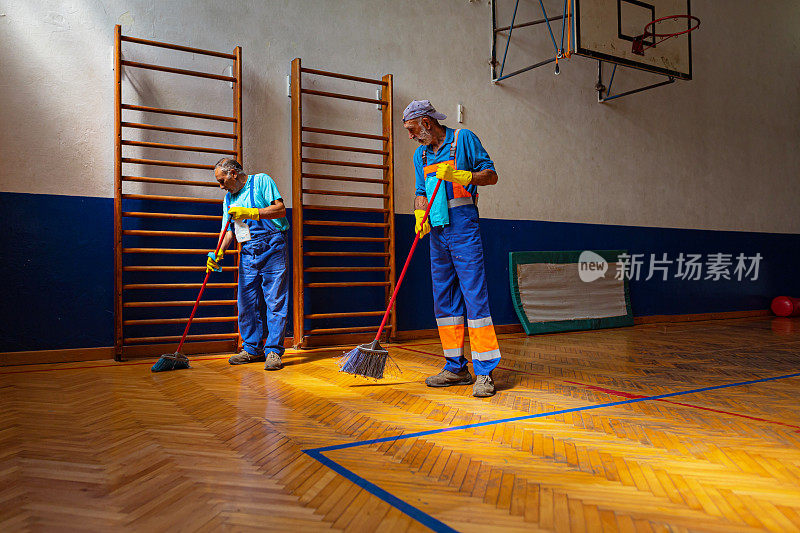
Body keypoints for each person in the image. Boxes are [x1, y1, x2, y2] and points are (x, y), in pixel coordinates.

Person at [402, 100, 501, 397]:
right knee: (444, 300)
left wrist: (463, 176)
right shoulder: (420, 155)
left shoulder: (463, 139)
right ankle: (456, 368)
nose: (411, 136)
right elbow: (421, 193)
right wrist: (420, 215)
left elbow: (492, 175)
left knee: (474, 298)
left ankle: (484, 372)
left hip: (463, 228)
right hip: (437, 232)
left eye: (412, 129)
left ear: (427, 123)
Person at [206, 158, 290, 370]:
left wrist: (251, 212)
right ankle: (252, 349)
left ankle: (273, 352)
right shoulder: (228, 199)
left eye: (222, 180)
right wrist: (217, 253)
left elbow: (280, 210)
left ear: (233, 173)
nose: (221, 186)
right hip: (249, 251)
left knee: (275, 300)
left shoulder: (261, 181)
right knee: (246, 302)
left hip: (273, 246)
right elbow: (228, 230)